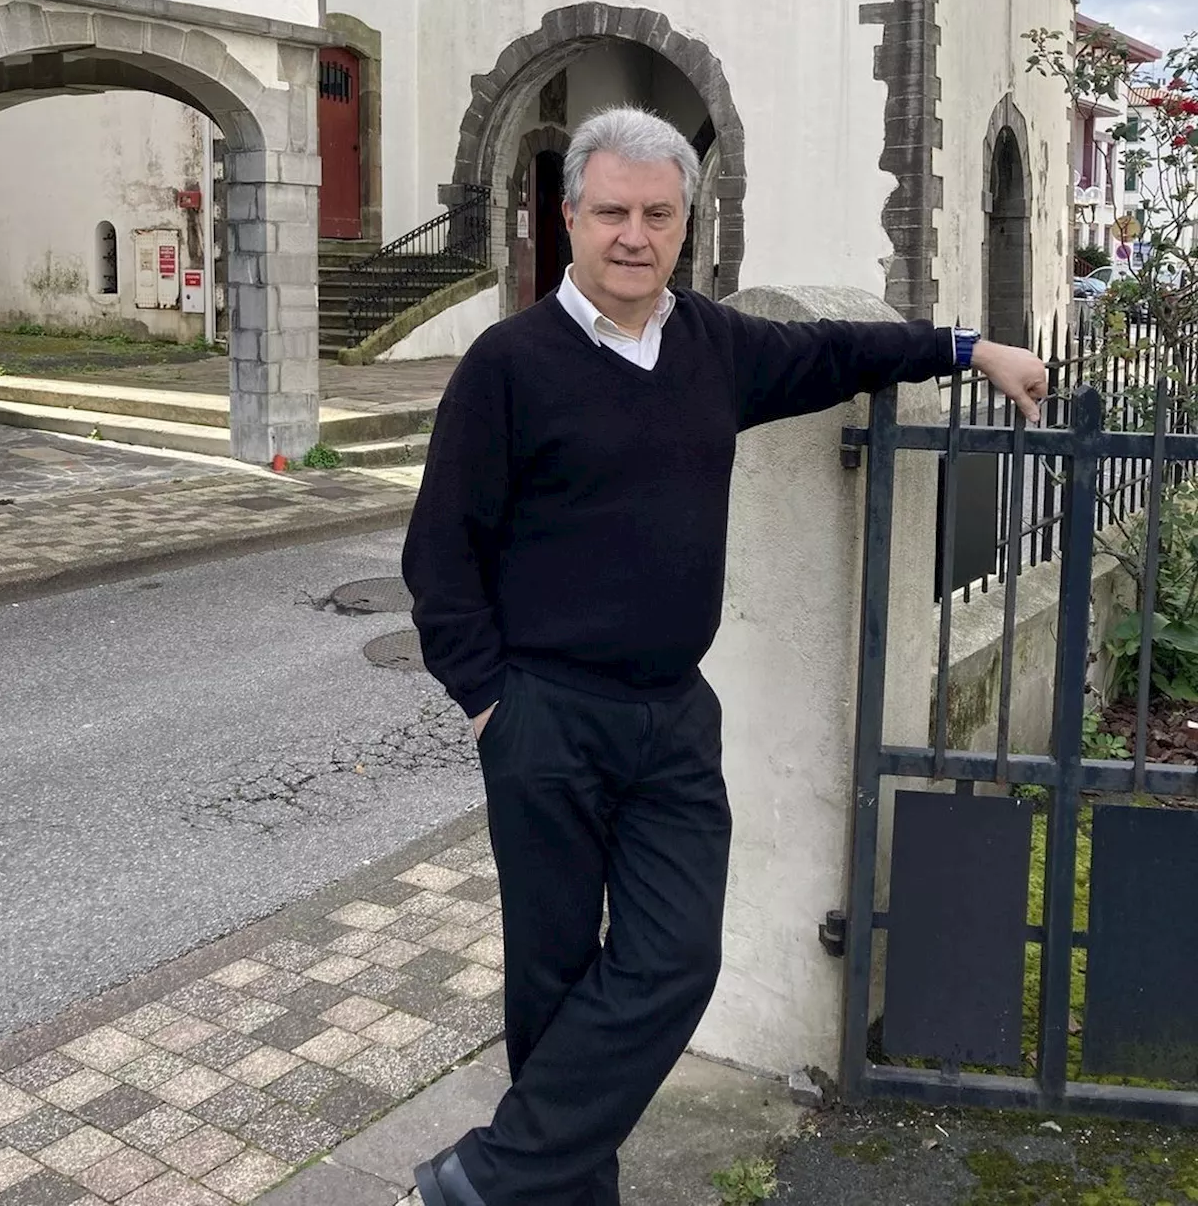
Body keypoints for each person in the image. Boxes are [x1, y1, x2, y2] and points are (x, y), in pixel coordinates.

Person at [402, 107, 1047, 1206]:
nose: (633, 235)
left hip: (669, 718)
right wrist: (487, 705)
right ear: (568, 218)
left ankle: (494, 1174)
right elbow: (439, 555)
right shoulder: (508, 366)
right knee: (551, 980)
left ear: (686, 223)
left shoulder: (713, 347)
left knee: (672, 960)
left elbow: (839, 349)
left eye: (657, 214)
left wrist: (966, 347)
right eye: (610, 211)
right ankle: (555, 1191)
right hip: (543, 716)